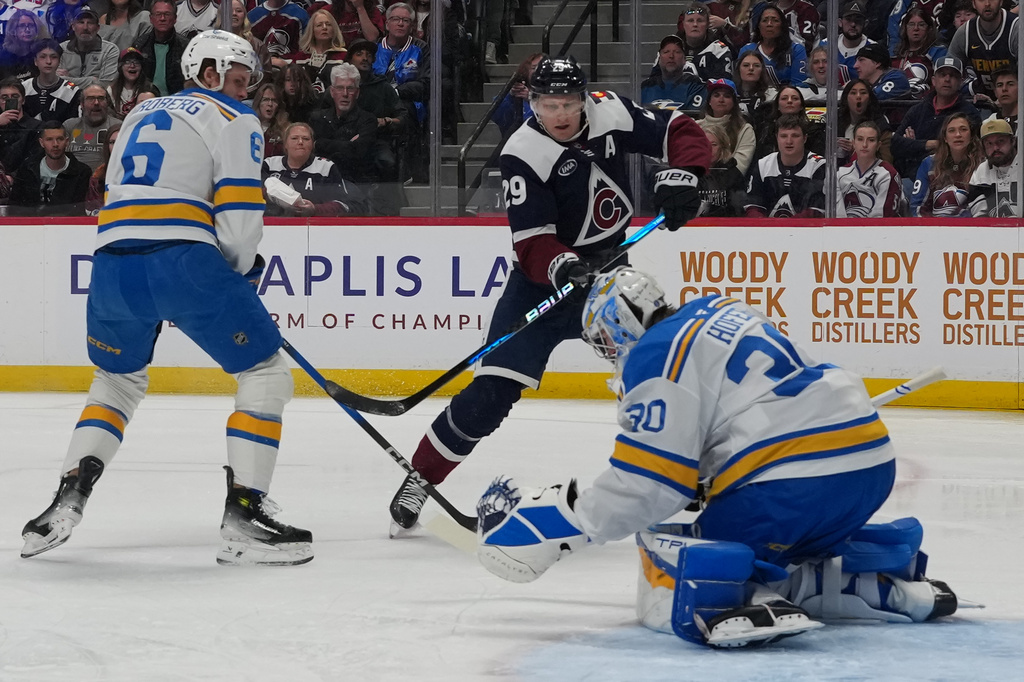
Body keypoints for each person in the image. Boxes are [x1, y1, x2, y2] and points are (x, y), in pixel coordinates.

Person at [475, 267, 959, 648]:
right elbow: (753, 408)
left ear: (618, 325)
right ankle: (879, 585)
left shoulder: (655, 352)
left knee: (675, 560)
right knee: (787, 548)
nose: (609, 354)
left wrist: (554, 522)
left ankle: (740, 599)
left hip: (789, 485)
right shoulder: (721, 310)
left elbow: (650, 484)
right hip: (868, 468)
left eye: (604, 341)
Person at [20, 29, 313, 566]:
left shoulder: (139, 112)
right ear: (208, 74)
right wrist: (238, 271)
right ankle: (245, 514)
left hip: (110, 262)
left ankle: (68, 496)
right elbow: (241, 221)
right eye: (238, 80)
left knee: (116, 380)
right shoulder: (235, 119)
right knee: (266, 373)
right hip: (182, 258)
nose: (244, 92)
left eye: (248, 84)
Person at [387, 56, 710, 536]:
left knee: (660, 370)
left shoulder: (611, 113)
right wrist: (565, 266)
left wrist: (688, 175)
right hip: (540, 285)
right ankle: (421, 477)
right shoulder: (522, 151)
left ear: (584, 99)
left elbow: (679, 128)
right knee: (490, 395)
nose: (559, 114)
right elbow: (532, 242)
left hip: (608, 280)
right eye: (548, 103)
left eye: (568, 103)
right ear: (531, 101)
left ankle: (693, 473)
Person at [891, 55, 981, 190]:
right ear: (933, 80)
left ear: (960, 82)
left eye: (953, 75)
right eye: (942, 74)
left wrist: (913, 146)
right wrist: (931, 144)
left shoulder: (969, 113)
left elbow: (972, 148)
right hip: (913, 176)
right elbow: (895, 145)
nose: (947, 79)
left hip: (953, 178)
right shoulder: (917, 110)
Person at [263, 121, 368, 216]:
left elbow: (348, 204)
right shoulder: (269, 165)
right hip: (273, 226)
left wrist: (316, 209)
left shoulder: (325, 168)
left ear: (312, 144)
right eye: (294, 138)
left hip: (315, 228)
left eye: (306, 139)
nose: (300, 142)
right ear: (285, 144)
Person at [347, 37, 407, 182]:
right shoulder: (340, 85)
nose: (365, 58)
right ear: (349, 60)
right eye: (359, 54)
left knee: (387, 162)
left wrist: (388, 121)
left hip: (377, 140)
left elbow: (403, 115)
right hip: (346, 139)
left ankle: (387, 202)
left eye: (368, 55)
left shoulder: (382, 86)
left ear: (374, 60)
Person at [744, 114, 825, 217]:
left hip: (806, 231)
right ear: (776, 138)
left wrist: (785, 229)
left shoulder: (818, 166)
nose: (789, 141)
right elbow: (753, 207)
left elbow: (815, 211)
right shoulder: (763, 165)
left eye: (795, 136)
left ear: (805, 139)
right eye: (783, 136)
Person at [309, 62, 377, 180]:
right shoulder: (317, 118)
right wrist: (347, 145)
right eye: (340, 88)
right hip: (319, 181)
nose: (345, 94)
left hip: (355, 181)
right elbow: (309, 151)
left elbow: (358, 152)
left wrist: (320, 143)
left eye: (350, 88)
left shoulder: (368, 120)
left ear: (357, 93)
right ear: (332, 92)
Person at [8, 120, 92, 216]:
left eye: (60, 139)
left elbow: (78, 211)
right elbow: (15, 206)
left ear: (67, 141)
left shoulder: (82, 172)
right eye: (49, 139)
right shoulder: (27, 168)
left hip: (65, 226)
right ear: (41, 142)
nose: (55, 144)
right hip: (30, 225)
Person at [946, 0, 1018, 103]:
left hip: (1017, 102)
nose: (987, 3)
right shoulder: (965, 32)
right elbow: (948, 73)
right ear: (974, 4)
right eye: (981, 0)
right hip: (983, 100)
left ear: (1001, 2)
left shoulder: (1016, 28)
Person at [911, 112, 981, 217]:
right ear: (945, 138)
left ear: (971, 136)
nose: (958, 135)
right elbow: (917, 207)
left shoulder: (982, 166)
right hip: (934, 229)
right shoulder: (929, 163)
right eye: (952, 131)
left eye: (963, 129)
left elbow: (981, 209)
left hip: (968, 229)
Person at [836, 120, 904, 217]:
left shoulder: (888, 174)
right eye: (860, 139)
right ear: (853, 143)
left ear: (878, 145)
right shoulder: (840, 174)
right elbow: (837, 215)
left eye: (871, 140)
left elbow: (882, 216)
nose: (864, 145)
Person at [281, 8, 347, 93]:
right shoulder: (300, 56)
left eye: (328, 24)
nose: (324, 28)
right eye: (319, 25)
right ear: (312, 30)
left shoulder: (343, 55)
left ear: (334, 29)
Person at [738, 5, 807, 86]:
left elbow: (799, 84)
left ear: (782, 26)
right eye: (764, 20)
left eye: (775, 20)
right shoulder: (747, 50)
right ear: (758, 26)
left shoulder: (796, 50)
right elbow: (741, 84)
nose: (769, 24)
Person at [697, 78, 755, 175]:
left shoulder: (745, 129)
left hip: (729, 183)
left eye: (727, 96)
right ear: (709, 101)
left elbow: (740, 167)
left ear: (734, 103)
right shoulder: (695, 126)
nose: (721, 99)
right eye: (716, 95)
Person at [132, 0, 188, 97]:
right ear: (151, 18)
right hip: (146, 99)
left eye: (167, 14)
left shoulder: (186, 46)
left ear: (175, 18)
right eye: (158, 14)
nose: (162, 18)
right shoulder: (140, 45)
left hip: (177, 100)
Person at [967, 118, 1020, 217]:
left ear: (1013, 141)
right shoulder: (980, 172)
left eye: (1000, 141)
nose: (995, 148)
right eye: (989, 143)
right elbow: (979, 217)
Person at [892, 7, 947, 100]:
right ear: (905, 28)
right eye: (911, 25)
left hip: (926, 103)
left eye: (921, 25)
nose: (916, 29)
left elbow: (943, 81)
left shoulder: (938, 52)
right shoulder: (895, 53)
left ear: (929, 29)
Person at [641, 34, 707, 111]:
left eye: (677, 52)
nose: (671, 56)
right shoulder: (646, 86)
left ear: (684, 60)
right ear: (659, 59)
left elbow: (693, 118)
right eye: (666, 52)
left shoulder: (695, 86)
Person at [22, 40, 82, 124]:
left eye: (53, 57)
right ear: (35, 61)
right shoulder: (24, 88)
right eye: (43, 57)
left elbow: (74, 124)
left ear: (59, 61)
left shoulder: (72, 90)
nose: (48, 61)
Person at [64, 82, 119, 171]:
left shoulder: (118, 127)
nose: (96, 103)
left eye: (101, 98)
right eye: (90, 99)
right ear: (82, 104)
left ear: (107, 103)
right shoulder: (69, 126)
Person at [59, 6, 120, 85]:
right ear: (73, 26)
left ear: (98, 28)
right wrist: (92, 80)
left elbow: (106, 84)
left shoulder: (110, 50)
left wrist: (68, 79)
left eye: (90, 23)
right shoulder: (62, 48)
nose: (85, 27)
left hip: (95, 96)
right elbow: (55, 81)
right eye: (81, 22)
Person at [836, 78, 892, 164]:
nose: (858, 96)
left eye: (863, 93)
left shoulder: (880, 126)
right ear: (846, 98)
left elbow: (886, 163)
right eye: (853, 93)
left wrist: (856, 150)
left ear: (869, 99)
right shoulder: (836, 122)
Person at [675, 2, 733, 82]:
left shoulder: (719, 51)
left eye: (700, 21)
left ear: (708, 24)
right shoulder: (671, 48)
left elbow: (722, 87)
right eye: (690, 20)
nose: (695, 24)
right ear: (683, 24)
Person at [697, 124, 746, 217]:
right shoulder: (689, 173)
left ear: (722, 147)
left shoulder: (733, 174)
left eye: (714, 145)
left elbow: (738, 211)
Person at [0, 76, 43, 179]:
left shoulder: (37, 127)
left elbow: (35, 161)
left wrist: (11, 178)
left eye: (15, 96)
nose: (9, 100)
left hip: (23, 184)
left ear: (23, 100)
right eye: (4, 98)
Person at [492, 51, 541, 137]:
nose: (538, 72)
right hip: (515, 143)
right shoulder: (517, 90)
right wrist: (510, 95)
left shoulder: (557, 94)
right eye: (534, 68)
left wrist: (531, 98)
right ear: (527, 71)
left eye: (542, 68)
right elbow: (498, 117)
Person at [820, 0, 871, 79]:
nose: (853, 24)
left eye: (858, 20)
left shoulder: (873, 49)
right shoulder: (825, 45)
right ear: (840, 22)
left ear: (866, 23)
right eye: (848, 19)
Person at [0, 10, 51, 81]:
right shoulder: (4, 57)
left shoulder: (44, 51)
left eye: (31, 25)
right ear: (13, 29)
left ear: (37, 28)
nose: (27, 30)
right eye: (22, 26)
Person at [85, 120, 120, 214]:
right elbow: (92, 209)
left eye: (121, 141)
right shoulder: (98, 176)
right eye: (112, 142)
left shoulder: (140, 172)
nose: (116, 146)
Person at [107, 47, 153, 118]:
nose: (132, 66)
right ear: (120, 67)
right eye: (127, 62)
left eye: (137, 62)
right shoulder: (110, 90)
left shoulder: (150, 89)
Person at [315, 0, 384, 47]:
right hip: (335, 54)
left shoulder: (373, 11)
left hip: (363, 54)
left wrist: (360, 7)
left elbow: (372, 38)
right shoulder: (327, 11)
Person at [733, 51, 777, 121]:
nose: (751, 68)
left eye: (756, 65)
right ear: (738, 69)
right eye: (746, 65)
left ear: (762, 70)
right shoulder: (730, 94)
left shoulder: (772, 95)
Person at [252, 81, 288, 157]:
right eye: (265, 100)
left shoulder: (285, 130)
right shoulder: (249, 125)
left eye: (274, 101)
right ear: (258, 102)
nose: (270, 104)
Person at [985, 66, 1018, 132]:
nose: (1004, 89)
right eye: (1000, 85)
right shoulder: (988, 123)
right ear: (995, 92)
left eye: (1010, 84)